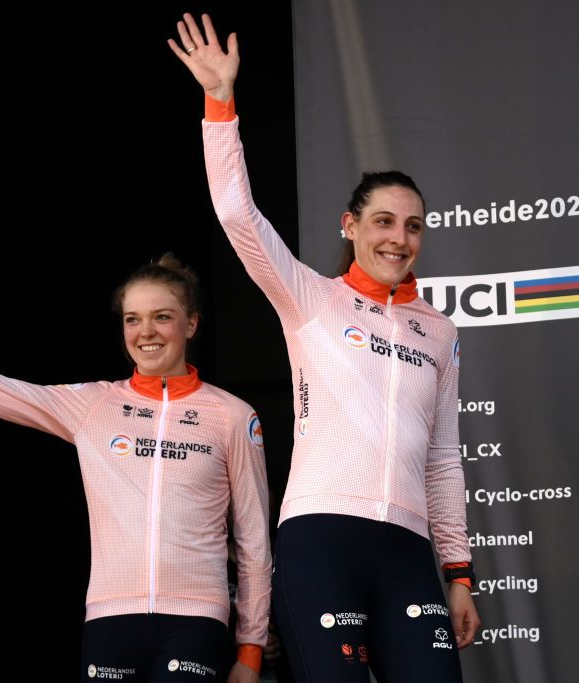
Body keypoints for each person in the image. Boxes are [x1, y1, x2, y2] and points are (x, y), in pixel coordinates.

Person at [169, 14, 480, 682]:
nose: (399, 238)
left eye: (414, 226)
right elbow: (236, 214)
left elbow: (444, 459)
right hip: (321, 540)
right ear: (351, 224)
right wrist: (219, 103)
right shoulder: (311, 297)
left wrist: (457, 572)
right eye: (383, 222)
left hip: (406, 551)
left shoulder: (441, 331)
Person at [0, 251, 271, 682]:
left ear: (191, 324)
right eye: (132, 319)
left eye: (162, 317)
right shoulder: (95, 405)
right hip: (111, 618)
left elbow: (253, 537)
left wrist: (251, 650)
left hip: (196, 620)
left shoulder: (231, 416)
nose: (145, 332)